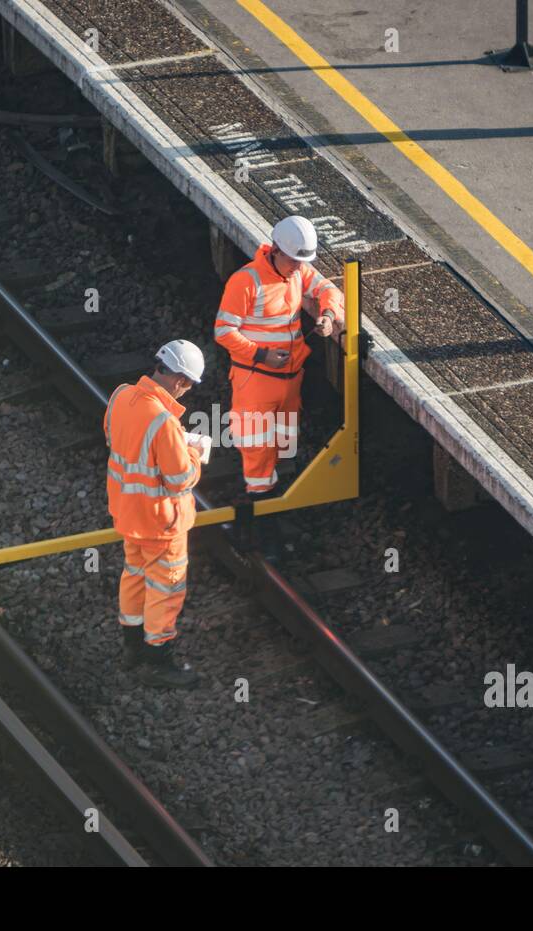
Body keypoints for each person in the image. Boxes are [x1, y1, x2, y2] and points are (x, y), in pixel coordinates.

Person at [213, 216, 344, 546]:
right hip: (256, 380)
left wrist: (327, 316)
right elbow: (223, 331)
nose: (297, 268)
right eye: (293, 260)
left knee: (281, 444)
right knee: (258, 452)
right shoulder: (246, 282)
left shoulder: (298, 271)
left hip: (289, 379)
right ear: (275, 250)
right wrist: (260, 355)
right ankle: (263, 530)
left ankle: (271, 511)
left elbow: (328, 289)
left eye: (302, 262)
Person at [103, 340, 209, 688]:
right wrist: (194, 454)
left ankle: (131, 650)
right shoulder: (163, 420)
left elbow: (115, 439)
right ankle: (158, 660)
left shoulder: (121, 395)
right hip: (162, 524)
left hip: (128, 515)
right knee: (166, 587)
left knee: (134, 576)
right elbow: (180, 480)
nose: (187, 391)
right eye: (189, 384)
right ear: (179, 379)